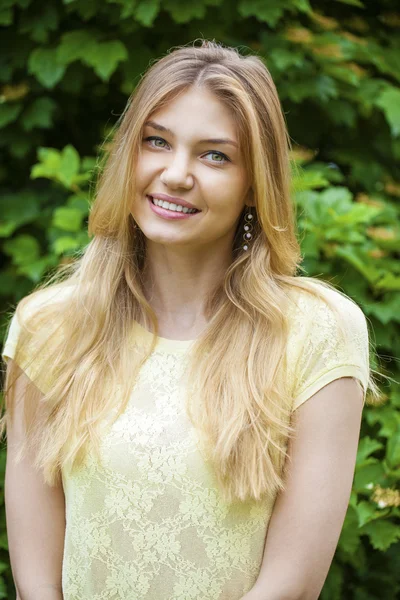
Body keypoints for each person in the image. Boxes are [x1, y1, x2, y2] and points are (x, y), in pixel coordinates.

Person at [1, 39, 380, 600]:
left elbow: (292, 584)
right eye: (157, 142)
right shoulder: (51, 328)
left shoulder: (315, 332)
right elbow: (36, 578)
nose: (176, 174)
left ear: (255, 185)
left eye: (214, 155)